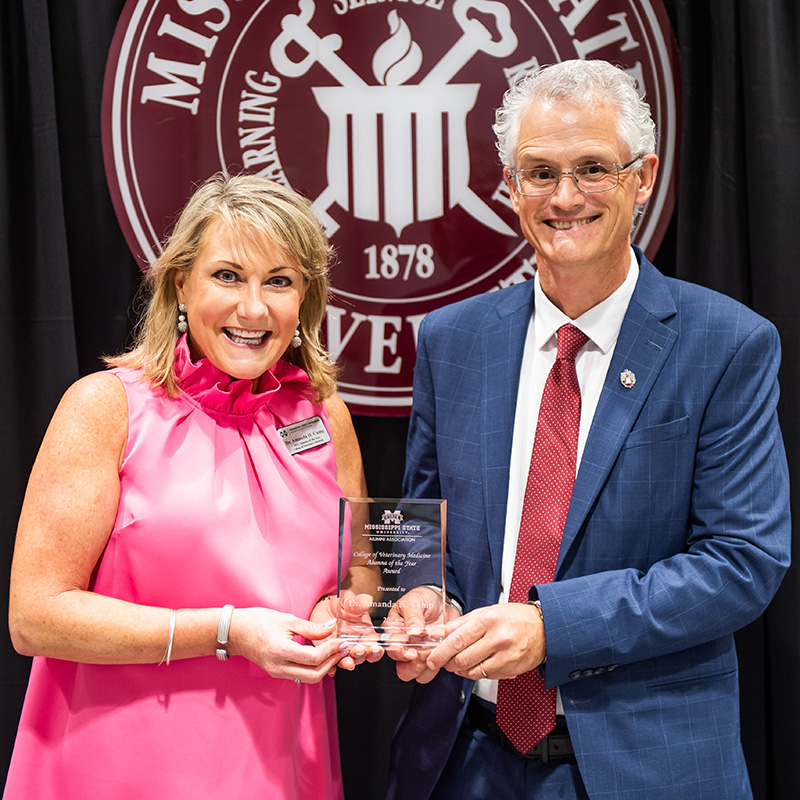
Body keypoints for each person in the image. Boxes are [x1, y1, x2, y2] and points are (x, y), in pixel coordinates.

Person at [385, 59, 791, 800]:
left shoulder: (727, 343)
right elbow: (422, 522)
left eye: (593, 168)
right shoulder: (452, 339)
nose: (564, 197)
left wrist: (551, 628)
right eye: (540, 171)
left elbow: (742, 562)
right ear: (511, 185)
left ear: (643, 177)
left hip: (648, 763)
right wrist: (416, 596)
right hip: (460, 759)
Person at [5, 173, 379, 799]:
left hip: (282, 770)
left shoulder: (324, 417)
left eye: (279, 281)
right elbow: (35, 617)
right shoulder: (105, 409)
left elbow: (363, 575)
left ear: (305, 298)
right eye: (228, 275)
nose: (254, 309)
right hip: (116, 770)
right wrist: (229, 632)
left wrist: (341, 615)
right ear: (181, 283)